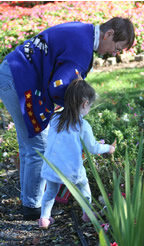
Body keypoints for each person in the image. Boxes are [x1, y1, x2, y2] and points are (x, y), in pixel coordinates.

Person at [0, 17, 135, 220]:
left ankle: (30, 202)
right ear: (109, 34)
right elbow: (59, 86)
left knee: (30, 146)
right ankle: (33, 208)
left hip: (13, 72)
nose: (114, 53)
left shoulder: (84, 32)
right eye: (117, 47)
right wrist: (77, 112)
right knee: (39, 147)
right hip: (18, 80)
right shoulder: (82, 48)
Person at [39, 78, 116, 229]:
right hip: (71, 169)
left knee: (50, 191)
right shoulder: (82, 125)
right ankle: (87, 213)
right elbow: (93, 148)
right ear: (85, 103)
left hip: (51, 166)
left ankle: (44, 219)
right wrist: (108, 148)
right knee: (83, 186)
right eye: (90, 106)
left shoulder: (55, 118)